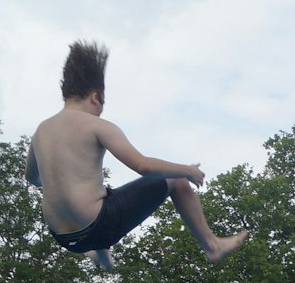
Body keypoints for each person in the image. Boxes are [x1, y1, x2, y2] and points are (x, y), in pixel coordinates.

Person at [27, 41, 248, 270]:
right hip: (98, 225)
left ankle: (100, 254)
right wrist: (188, 170)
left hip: (64, 237)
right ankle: (212, 246)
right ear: (96, 97)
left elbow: (32, 178)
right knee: (176, 181)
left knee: (99, 192)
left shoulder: (41, 131)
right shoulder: (97, 125)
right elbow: (143, 166)